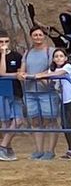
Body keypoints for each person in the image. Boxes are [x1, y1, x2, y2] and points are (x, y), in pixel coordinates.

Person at [20, 26, 59, 159]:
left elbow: (52, 70)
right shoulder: (28, 53)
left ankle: (50, 150)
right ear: (31, 37)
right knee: (35, 121)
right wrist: (21, 74)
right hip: (30, 91)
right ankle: (39, 150)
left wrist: (37, 76)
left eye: (40, 35)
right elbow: (22, 69)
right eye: (35, 35)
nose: (37, 37)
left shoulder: (50, 52)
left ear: (44, 36)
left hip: (46, 91)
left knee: (51, 120)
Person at [45, 47, 71, 159]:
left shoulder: (67, 67)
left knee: (68, 124)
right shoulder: (51, 70)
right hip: (63, 99)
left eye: (61, 56)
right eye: (56, 56)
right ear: (53, 59)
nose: (59, 58)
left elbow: (58, 74)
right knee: (64, 124)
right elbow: (48, 76)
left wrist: (40, 75)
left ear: (65, 58)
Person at [0, 31, 19, 162]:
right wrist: (2, 55)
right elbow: (1, 72)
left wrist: (13, 75)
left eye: (6, 42)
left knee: (19, 120)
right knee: (5, 122)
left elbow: (21, 72)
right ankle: (7, 148)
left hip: (16, 91)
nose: (4, 44)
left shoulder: (16, 56)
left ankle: (3, 146)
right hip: (2, 92)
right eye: (1, 42)